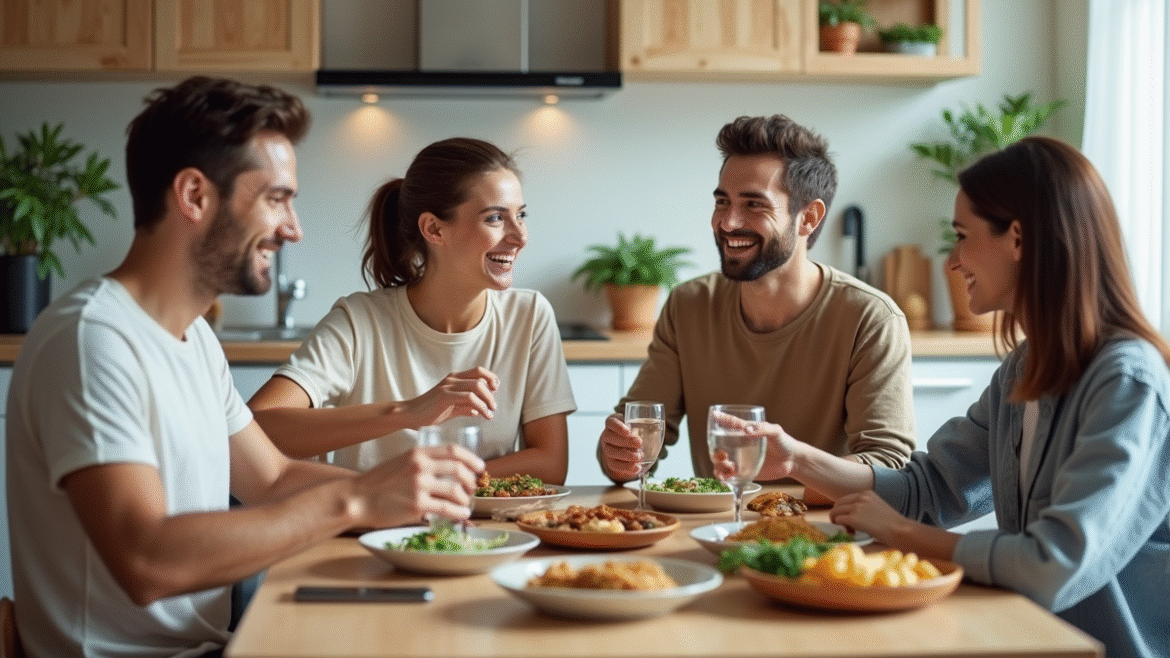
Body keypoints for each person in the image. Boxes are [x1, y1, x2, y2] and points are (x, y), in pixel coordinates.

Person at [5, 77, 483, 658]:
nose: (293, 228)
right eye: (276, 199)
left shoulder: (194, 339)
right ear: (195, 196)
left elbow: (272, 479)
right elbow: (145, 558)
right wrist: (354, 502)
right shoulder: (92, 341)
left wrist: (419, 497)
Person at [726, 136, 1169, 658]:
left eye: (962, 236)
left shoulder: (1127, 383)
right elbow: (930, 487)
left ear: (1019, 238)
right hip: (1030, 633)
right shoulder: (1023, 371)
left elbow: (1053, 563)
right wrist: (795, 458)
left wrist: (904, 534)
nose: (953, 261)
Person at [599, 114, 916, 491]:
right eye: (722, 202)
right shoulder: (689, 305)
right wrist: (620, 457)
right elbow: (635, 444)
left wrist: (794, 463)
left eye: (754, 205)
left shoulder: (871, 318)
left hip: (825, 537)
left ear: (808, 218)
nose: (729, 222)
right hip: (718, 529)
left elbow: (887, 470)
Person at [248, 138, 576, 483]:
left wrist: (429, 484)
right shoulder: (360, 322)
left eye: (520, 215)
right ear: (434, 229)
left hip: (488, 532)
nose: (520, 235)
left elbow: (550, 463)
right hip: (366, 532)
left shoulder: (530, 315)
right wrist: (407, 412)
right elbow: (258, 427)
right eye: (495, 218)